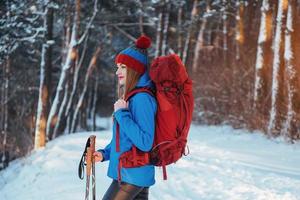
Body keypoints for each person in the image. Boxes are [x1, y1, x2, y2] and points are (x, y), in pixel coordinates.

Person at [93, 35, 157, 200]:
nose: (117, 71)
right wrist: (104, 153)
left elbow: (145, 141)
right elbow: (124, 138)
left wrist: (122, 114)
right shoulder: (133, 97)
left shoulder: (143, 99)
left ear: (135, 69)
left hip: (132, 174)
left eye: (122, 67)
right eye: (117, 67)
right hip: (131, 171)